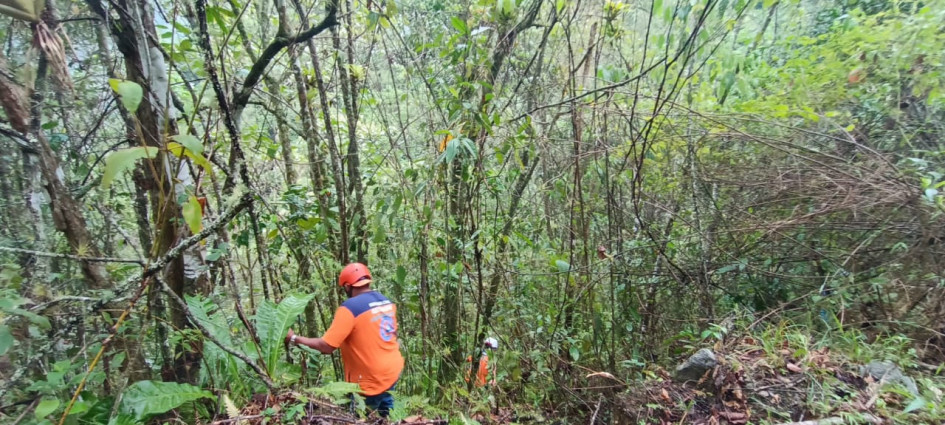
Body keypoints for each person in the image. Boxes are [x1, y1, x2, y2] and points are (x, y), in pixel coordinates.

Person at [286, 263, 404, 417]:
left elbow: (327, 346)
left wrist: (294, 338)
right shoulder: (386, 301)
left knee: (360, 418)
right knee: (386, 416)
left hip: (370, 381)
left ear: (348, 286)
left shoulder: (350, 308)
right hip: (392, 371)